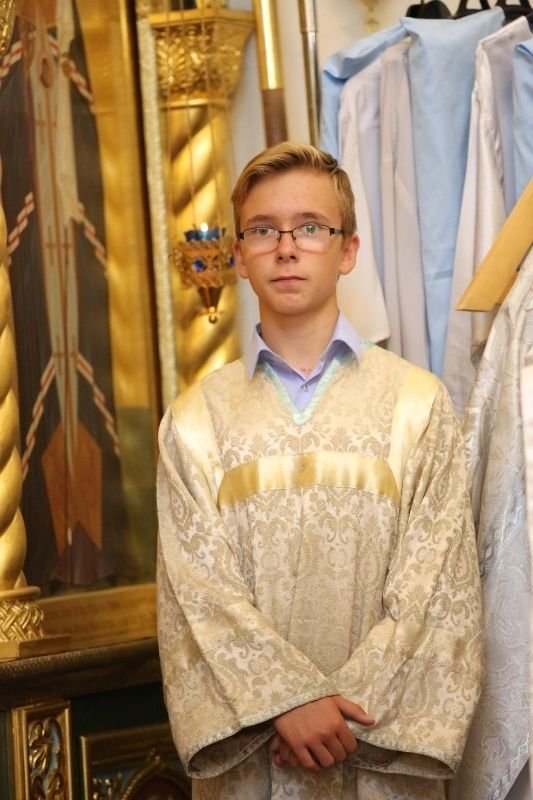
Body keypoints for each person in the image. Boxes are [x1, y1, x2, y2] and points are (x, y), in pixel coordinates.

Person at [156, 142, 483, 800]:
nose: (286, 248)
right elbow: (197, 598)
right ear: (239, 256)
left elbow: (437, 588)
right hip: (254, 767)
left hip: (377, 761)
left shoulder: (416, 406)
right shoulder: (194, 422)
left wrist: (335, 715)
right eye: (262, 230)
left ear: (347, 250)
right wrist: (286, 703)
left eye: (310, 227)